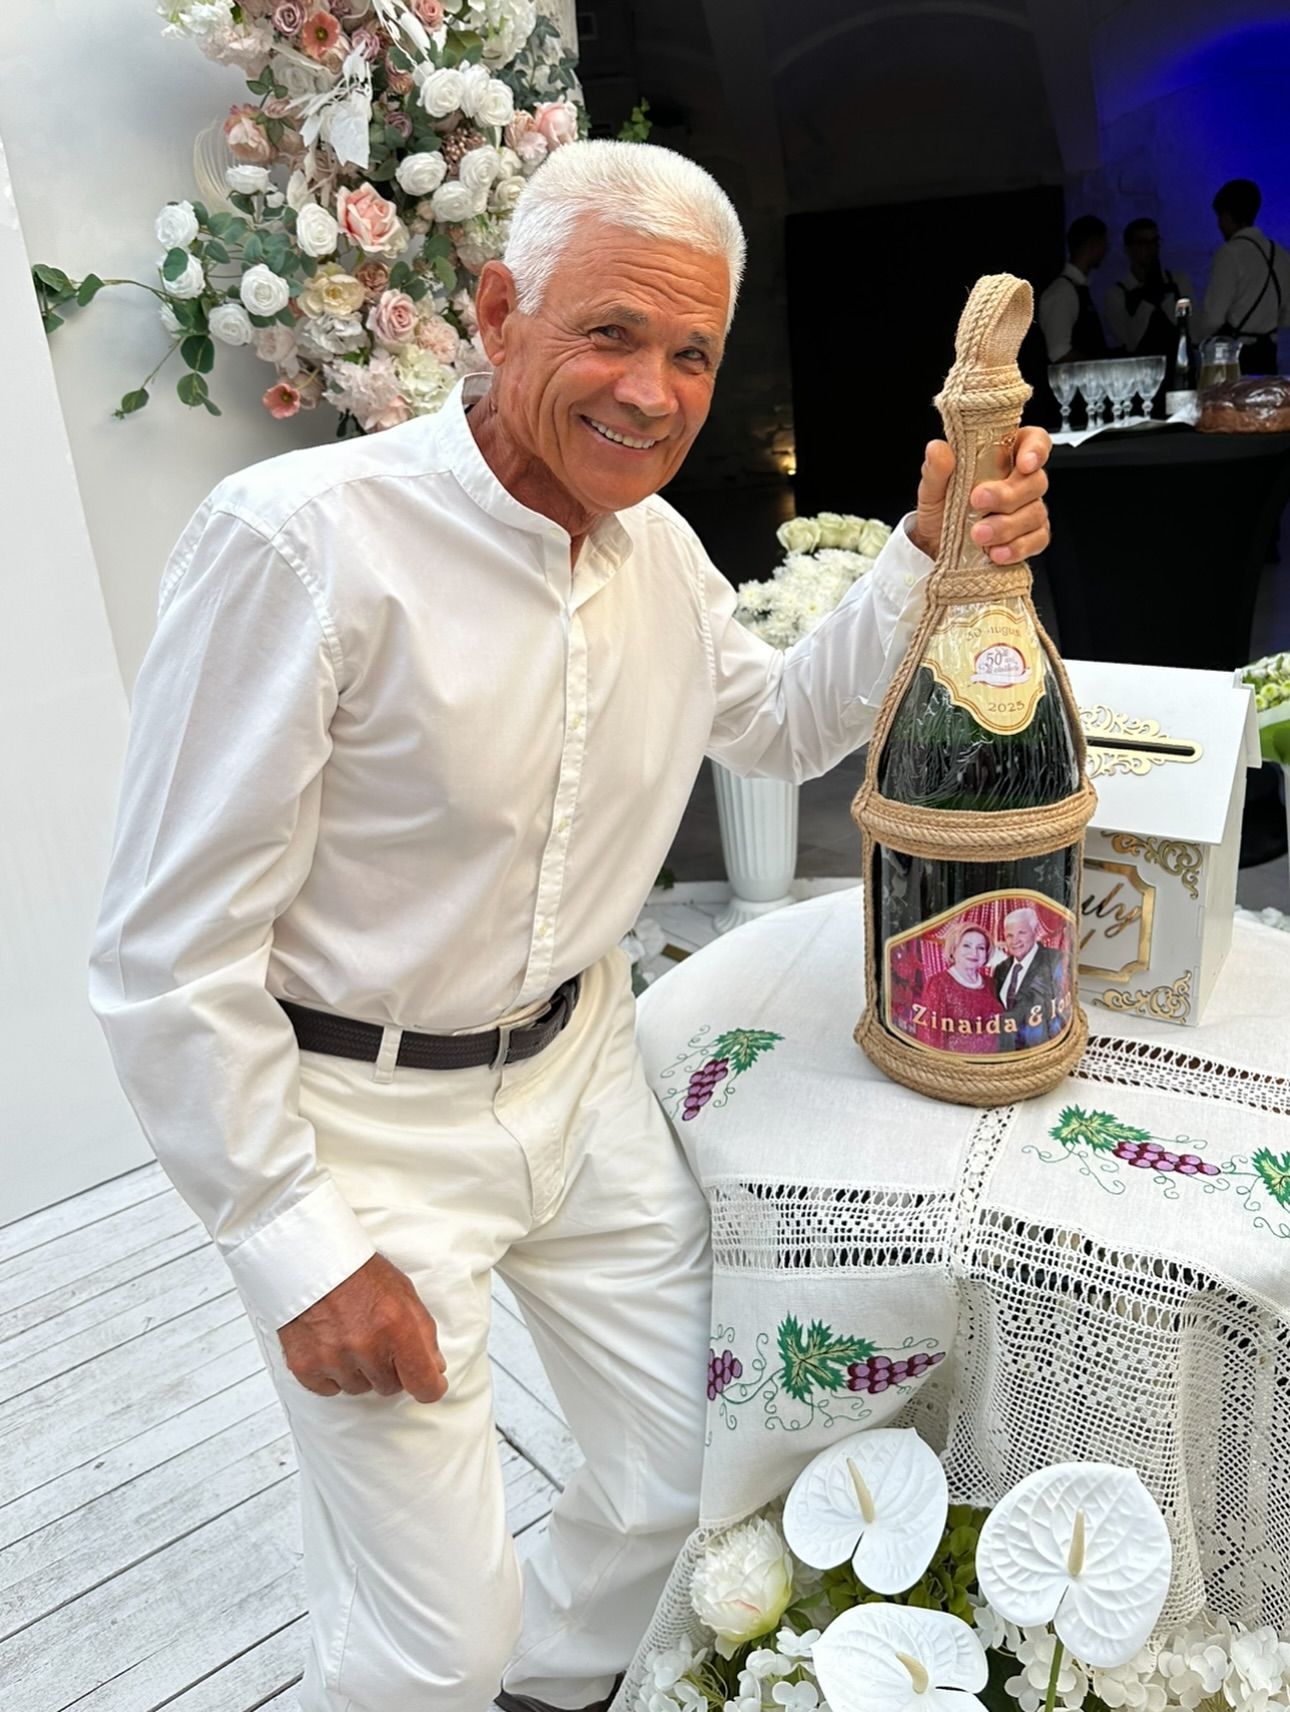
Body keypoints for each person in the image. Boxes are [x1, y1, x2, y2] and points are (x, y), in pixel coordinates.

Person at [87, 141, 1052, 1712]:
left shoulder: (653, 549)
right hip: (359, 1123)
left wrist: (921, 550)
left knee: (687, 1475)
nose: (653, 393)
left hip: (580, 1076)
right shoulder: (300, 542)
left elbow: (780, 727)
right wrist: (293, 1245)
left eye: (692, 354)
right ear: (495, 312)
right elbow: (162, 953)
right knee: (428, 1650)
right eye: (609, 332)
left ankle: (555, 1686)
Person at [1197, 178, 1290, 374]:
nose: (1219, 224)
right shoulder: (1281, 254)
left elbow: (1213, 319)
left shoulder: (1229, 253)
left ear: (1227, 215)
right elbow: (1286, 317)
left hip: (1235, 358)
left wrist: (1196, 340)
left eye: (1219, 217)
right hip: (1269, 355)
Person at [1104, 217, 1193, 359]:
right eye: (1143, 243)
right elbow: (1129, 342)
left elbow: (1191, 329)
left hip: (1178, 364)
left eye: (1154, 242)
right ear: (1128, 249)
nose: (1151, 248)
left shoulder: (1178, 281)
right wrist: (1148, 302)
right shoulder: (1117, 294)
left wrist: (1163, 298)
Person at [917, 921, 1005, 1055]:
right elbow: (930, 1037)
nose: (974, 953)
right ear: (953, 950)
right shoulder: (938, 984)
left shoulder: (991, 983)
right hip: (955, 1064)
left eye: (981, 948)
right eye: (966, 945)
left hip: (994, 1063)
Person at [1038, 215, 1110, 364]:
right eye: (1104, 243)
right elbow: (1059, 353)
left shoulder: (1077, 289)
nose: (1106, 249)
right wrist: (1101, 367)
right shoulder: (1063, 292)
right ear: (1093, 244)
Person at [992, 905, 1066, 1051]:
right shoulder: (1001, 969)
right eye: (1010, 935)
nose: (1015, 940)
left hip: (1041, 1050)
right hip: (1005, 1051)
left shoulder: (1054, 960)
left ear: (1035, 932)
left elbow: (1057, 1011)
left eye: (1022, 932)